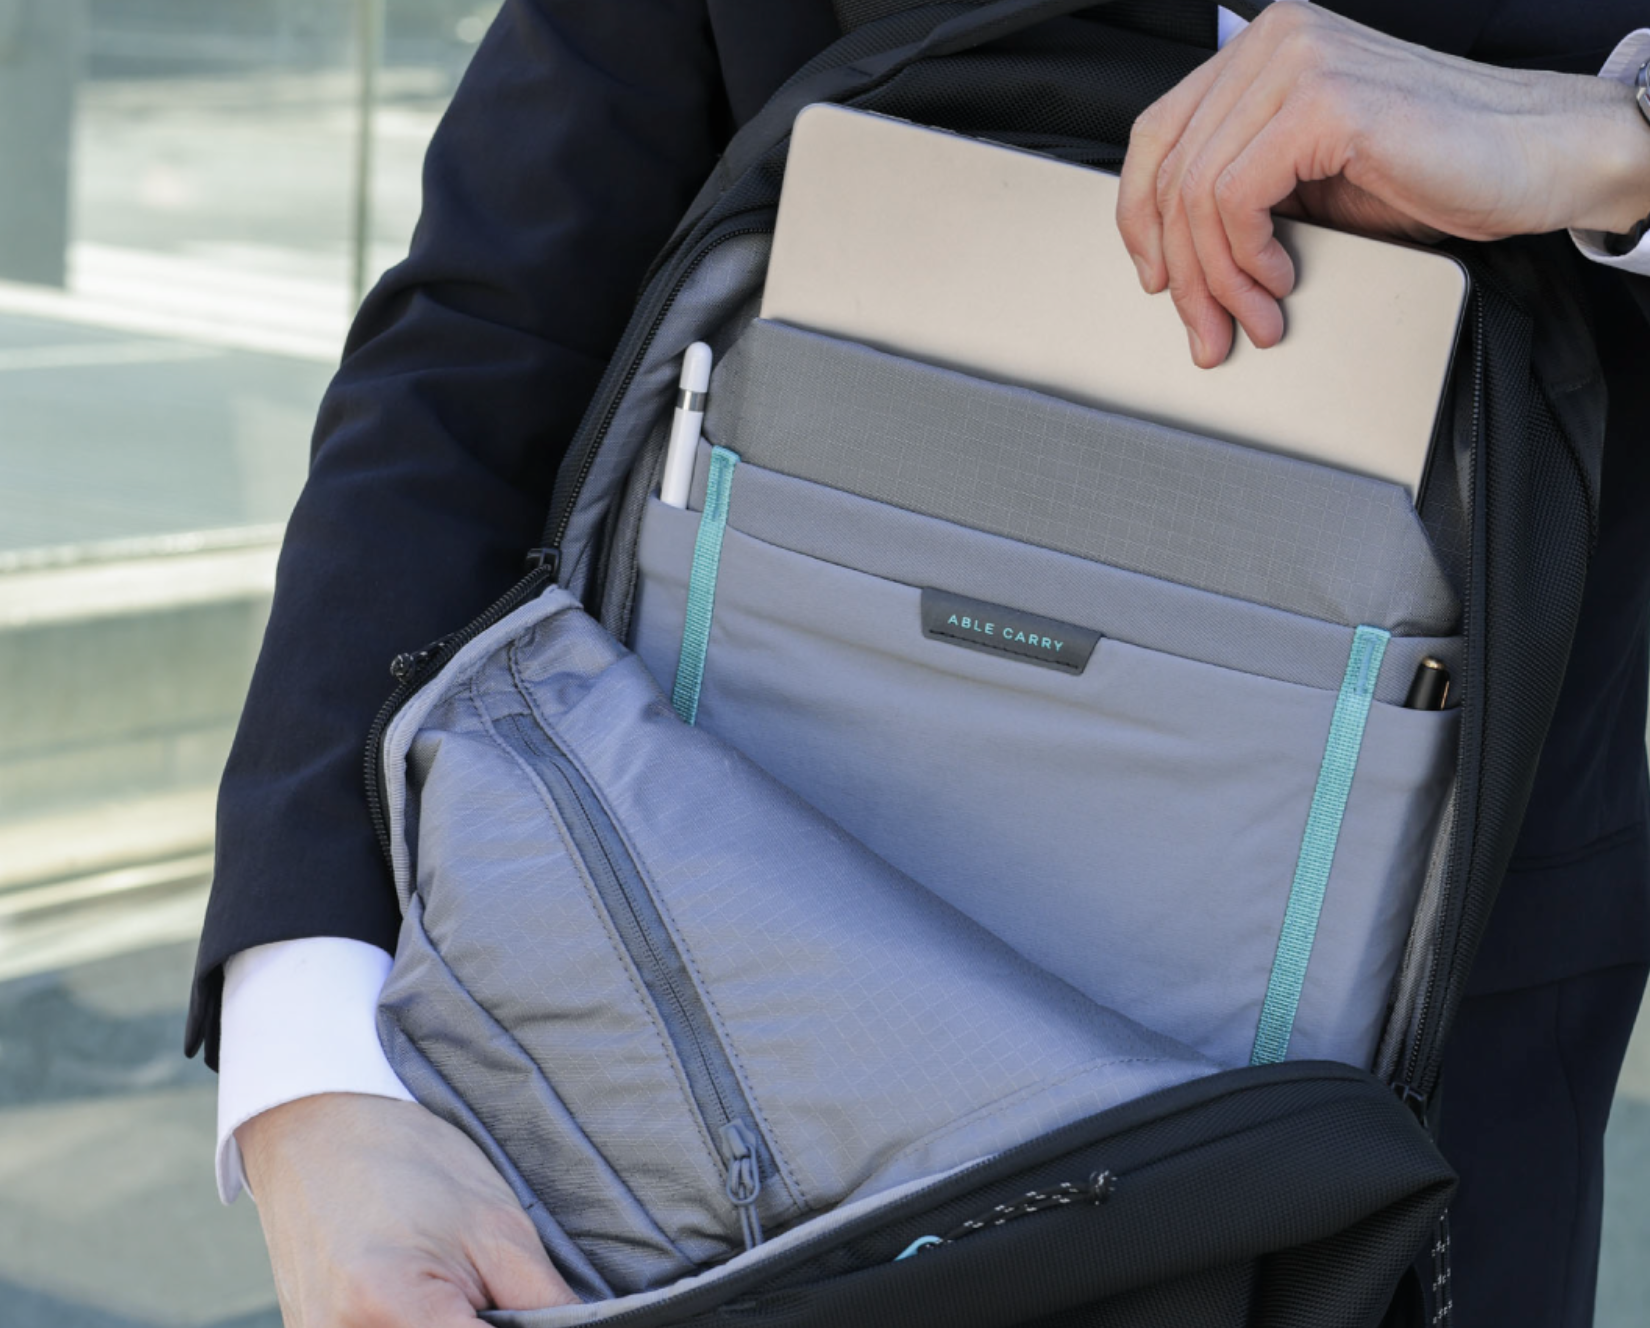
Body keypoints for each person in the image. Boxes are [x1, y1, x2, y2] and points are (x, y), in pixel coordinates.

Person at [186, 3, 1650, 1325]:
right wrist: (315, 1076)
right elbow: (485, 341)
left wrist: (1614, 142)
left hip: (1428, 1088)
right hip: (680, 1099)